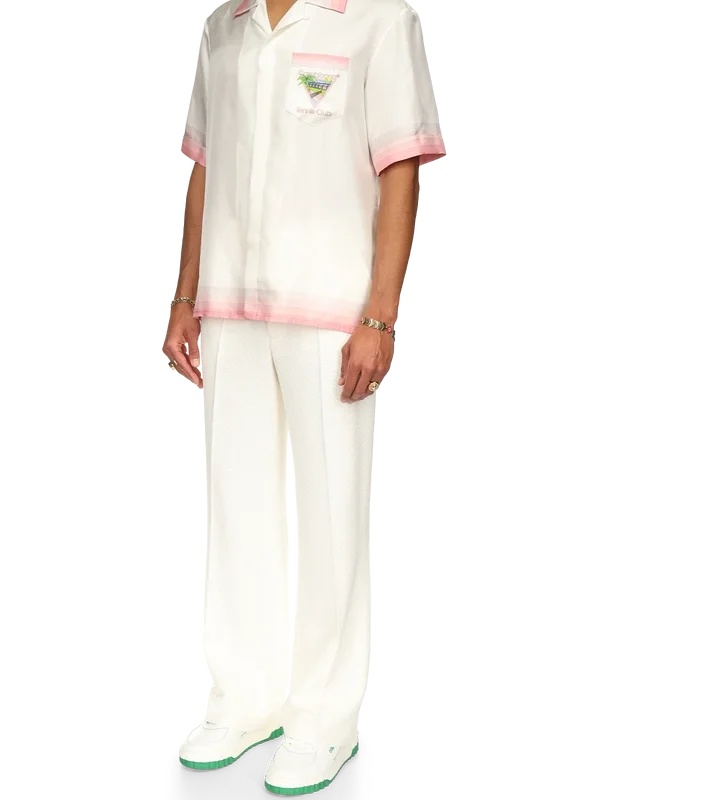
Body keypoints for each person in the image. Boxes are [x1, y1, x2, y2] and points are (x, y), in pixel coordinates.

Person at [162, 0, 446, 793]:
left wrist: (380, 316)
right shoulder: (223, 22)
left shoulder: (378, 18)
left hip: (331, 309)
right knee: (238, 509)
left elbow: (399, 168)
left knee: (329, 509)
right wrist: (184, 297)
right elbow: (203, 167)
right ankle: (244, 696)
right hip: (229, 305)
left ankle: (326, 715)